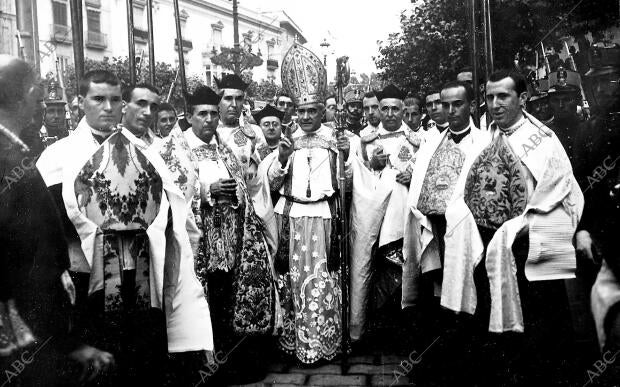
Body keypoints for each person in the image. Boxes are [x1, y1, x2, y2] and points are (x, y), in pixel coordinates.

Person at [37, 70, 213, 386]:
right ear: (80, 102)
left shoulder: (146, 152)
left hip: (142, 278)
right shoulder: (59, 155)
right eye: (98, 99)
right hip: (87, 277)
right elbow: (47, 224)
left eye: (115, 99)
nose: (108, 107)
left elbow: (171, 212)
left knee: (143, 364)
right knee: (100, 368)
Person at [437, 70, 583, 386]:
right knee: (490, 326)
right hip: (490, 242)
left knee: (538, 329)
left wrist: (521, 224)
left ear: (523, 98)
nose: (495, 104)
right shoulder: (486, 139)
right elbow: (465, 190)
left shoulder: (541, 140)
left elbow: (560, 193)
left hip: (532, 243)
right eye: (490, 97)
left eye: (503, 96)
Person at [0, 54, 111, 386]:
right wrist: (66, 341)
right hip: (19, 327)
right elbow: (27, 260)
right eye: (40, 88)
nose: (44, 99)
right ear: (28, 93)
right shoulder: (10, 159)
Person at [183, 85, 278, 384]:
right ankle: (206, 363)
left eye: (213, 113)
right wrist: (205, 192)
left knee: (227, 298)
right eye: (202, 114)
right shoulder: (178, 147)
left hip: (233, 237)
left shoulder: (222, 145)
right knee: (205, 298)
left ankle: (229, 361)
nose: (209, 120)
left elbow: (243, 183)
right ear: (189, 116)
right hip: (201, 237)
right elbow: (175, 191)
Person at [270, 43, 351, 364]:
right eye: (300, 111)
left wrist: (345, 156)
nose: (305, 117)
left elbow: (349, 186)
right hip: (290, 217)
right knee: (291, 279)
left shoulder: (336, 139)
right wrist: (282, 157)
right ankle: (294, 342)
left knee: (322, 278)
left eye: (311, 111)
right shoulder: (287, 140)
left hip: (323, 218)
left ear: (321, 111)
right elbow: (273, 184)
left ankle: (322, 343)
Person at [349, 84, 421, 347]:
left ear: (403, 110)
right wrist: (372, 167)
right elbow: (355, 177)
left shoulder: (417, 141)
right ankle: (371, 330)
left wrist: (412, 176)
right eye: (385, 108)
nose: (390, 113)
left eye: (395, 108)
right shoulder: (365, 141)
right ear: (378, 110)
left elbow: (423, 174)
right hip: (374, 219)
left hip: (403, 219)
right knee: (374, 269)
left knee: (404, 268)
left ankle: (403, 329)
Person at [583, 43, 620, 384]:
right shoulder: (592, 128)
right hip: (609, 232)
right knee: (602, 301)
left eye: (612, 80)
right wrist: (585, 228)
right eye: (600, 82)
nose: (606, 88)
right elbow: (586, 181)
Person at [215, 74, 266, 176]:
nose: (234, 104)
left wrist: (255, 163)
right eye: (228, 98)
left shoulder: (255, 132)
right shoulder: (210, 133)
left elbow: (268, 166)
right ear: (218, 101)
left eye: (238, 99)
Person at [546, 70, 583, 165]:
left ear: (577, 101)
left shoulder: (589, 127)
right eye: (555, 100)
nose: (561, 105)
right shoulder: (546, 134)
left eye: (567, 99)